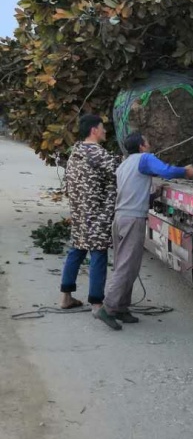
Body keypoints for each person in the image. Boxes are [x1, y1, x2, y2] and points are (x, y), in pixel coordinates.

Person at [95, 133, 193, 331]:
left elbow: (132, 191)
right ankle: (108, 308)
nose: (150, 145)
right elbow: (165, 171)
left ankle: (121, 308)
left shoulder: (124, 164)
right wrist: (186, 172)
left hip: (121, 217)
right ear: (142, 146)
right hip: (133, 219)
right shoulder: (145, 159)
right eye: (147, 142)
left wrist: (154, 195)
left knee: (125, 264)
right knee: (127, 265)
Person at [59, 113, 118, 313]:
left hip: (79, 213)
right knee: (99, 255)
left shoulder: (75, 151)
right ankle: (97, 303)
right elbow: (119, 175)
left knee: (76, 250)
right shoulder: (99, 154)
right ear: (94, 130)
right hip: (98, 214)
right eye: (103, 127)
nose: (105, 131)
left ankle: (66, 297)